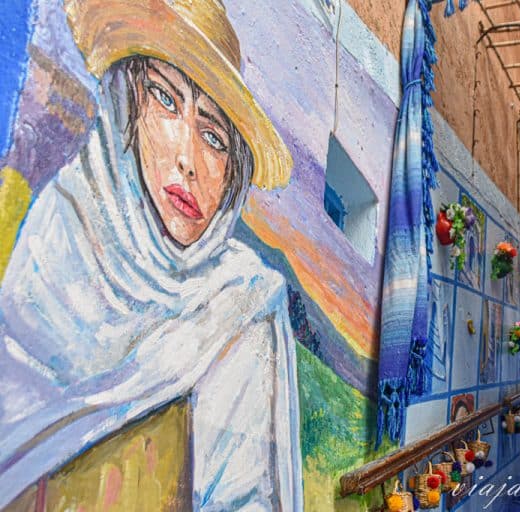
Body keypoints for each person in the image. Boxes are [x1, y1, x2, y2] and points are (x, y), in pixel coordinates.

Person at [0, 0, 302, 509]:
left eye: (213, 137)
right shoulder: (61, 226)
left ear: (233, 175)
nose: (189, 159)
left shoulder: (241, 304)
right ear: (129, 105)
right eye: (165, 99)